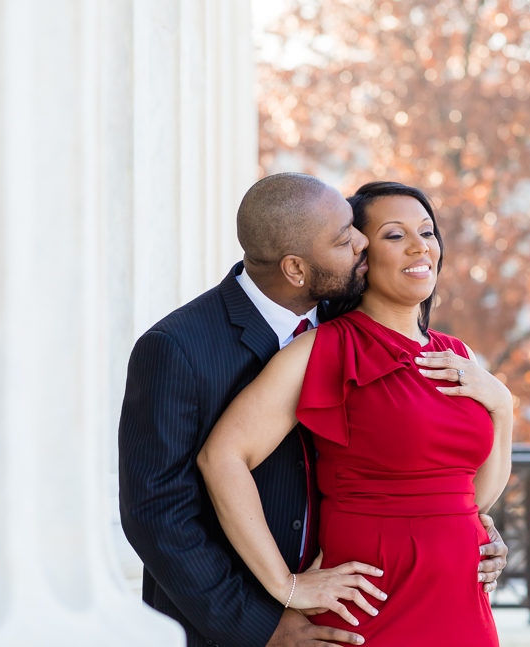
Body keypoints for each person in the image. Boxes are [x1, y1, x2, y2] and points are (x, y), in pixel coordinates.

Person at [119, 174, 508, 647]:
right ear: (296, 269)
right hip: (250, 618)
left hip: (440, 595)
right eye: (348, 239)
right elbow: (158, 513)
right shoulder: (180, 347)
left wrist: (473, 530)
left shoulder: (346, 317)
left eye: (426, 231)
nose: (362, 245)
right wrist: (272, 608)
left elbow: (446, 479)